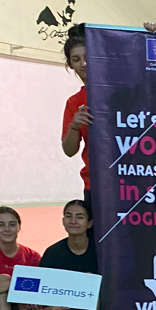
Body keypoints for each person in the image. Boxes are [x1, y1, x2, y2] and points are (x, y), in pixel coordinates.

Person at [38, 199, 99, 310]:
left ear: (89, 223)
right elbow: (42, 288)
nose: (73, 221)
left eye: (79, 217)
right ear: (63, 220)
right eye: (68, 216)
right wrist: (46, 308)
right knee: (59, 281)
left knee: (88, 279)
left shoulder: (100, 251)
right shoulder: (52, 253)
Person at [60, 24, 92, 201]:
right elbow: (69, 150)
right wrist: (74, 126)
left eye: (88, 57)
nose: (83, 64)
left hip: (130, 180)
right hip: (94, 183)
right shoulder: (74, 102)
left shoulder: (123, 90)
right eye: (76, 59)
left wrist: (151, 37)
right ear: (70, 64)